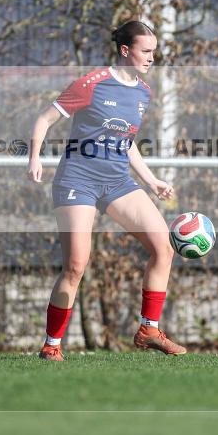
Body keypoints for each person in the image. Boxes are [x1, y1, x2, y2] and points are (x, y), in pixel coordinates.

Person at [27, 20, 185, 361]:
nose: (151, 58)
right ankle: (51, 344)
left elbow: (126, 142)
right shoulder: (91, 84)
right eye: (146, 51)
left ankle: (149, 329)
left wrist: (151, 180)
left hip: (117, 182)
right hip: (78, 179)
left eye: (154, 52)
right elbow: (44, 119)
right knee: (76, 266)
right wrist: (35, 157)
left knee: (163, 246)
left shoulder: (143, 92)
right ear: (125, 50)